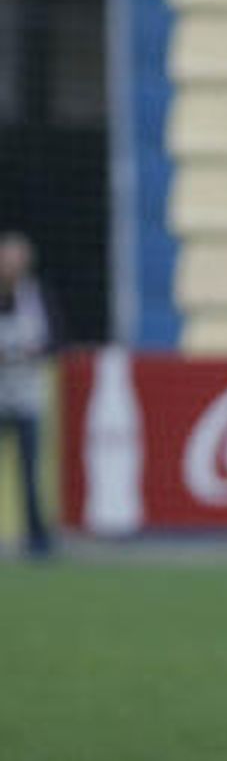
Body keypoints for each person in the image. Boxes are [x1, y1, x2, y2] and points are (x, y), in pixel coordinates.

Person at [0, 232, 56, 558]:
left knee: (30, 472)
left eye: (16, 260)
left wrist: (33, 351)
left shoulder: (36, 296)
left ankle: (38, 540)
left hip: (26, 398)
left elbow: (57, 340)